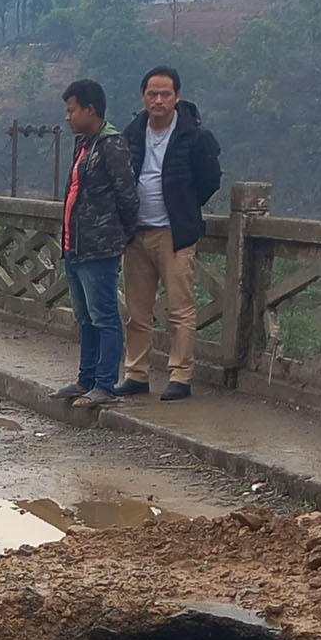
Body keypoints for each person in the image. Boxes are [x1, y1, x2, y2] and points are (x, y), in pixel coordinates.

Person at [120, 65, 222, 402]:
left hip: (175, 234)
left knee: (180, 309)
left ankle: (180, 375)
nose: (159, 100)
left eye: (165, 94)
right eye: (152, 94)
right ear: (143, 97)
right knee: (137, 310)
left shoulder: (194, 135)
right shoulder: (133, 132)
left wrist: (184, 207)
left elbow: (210, 179)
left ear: (177, 96)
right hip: (136, 234)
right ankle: (136, 373)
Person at [55, 78, 138, 409]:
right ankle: (85, 378)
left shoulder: (112, 144)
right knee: (85, 316)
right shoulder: (83, 143)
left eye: (72, 110)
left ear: (90, 110)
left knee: (104, 316)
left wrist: (120, 235)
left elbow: (127, 196)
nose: (68, 117)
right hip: (74, 244)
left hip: (99, 246)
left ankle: (105, 383)